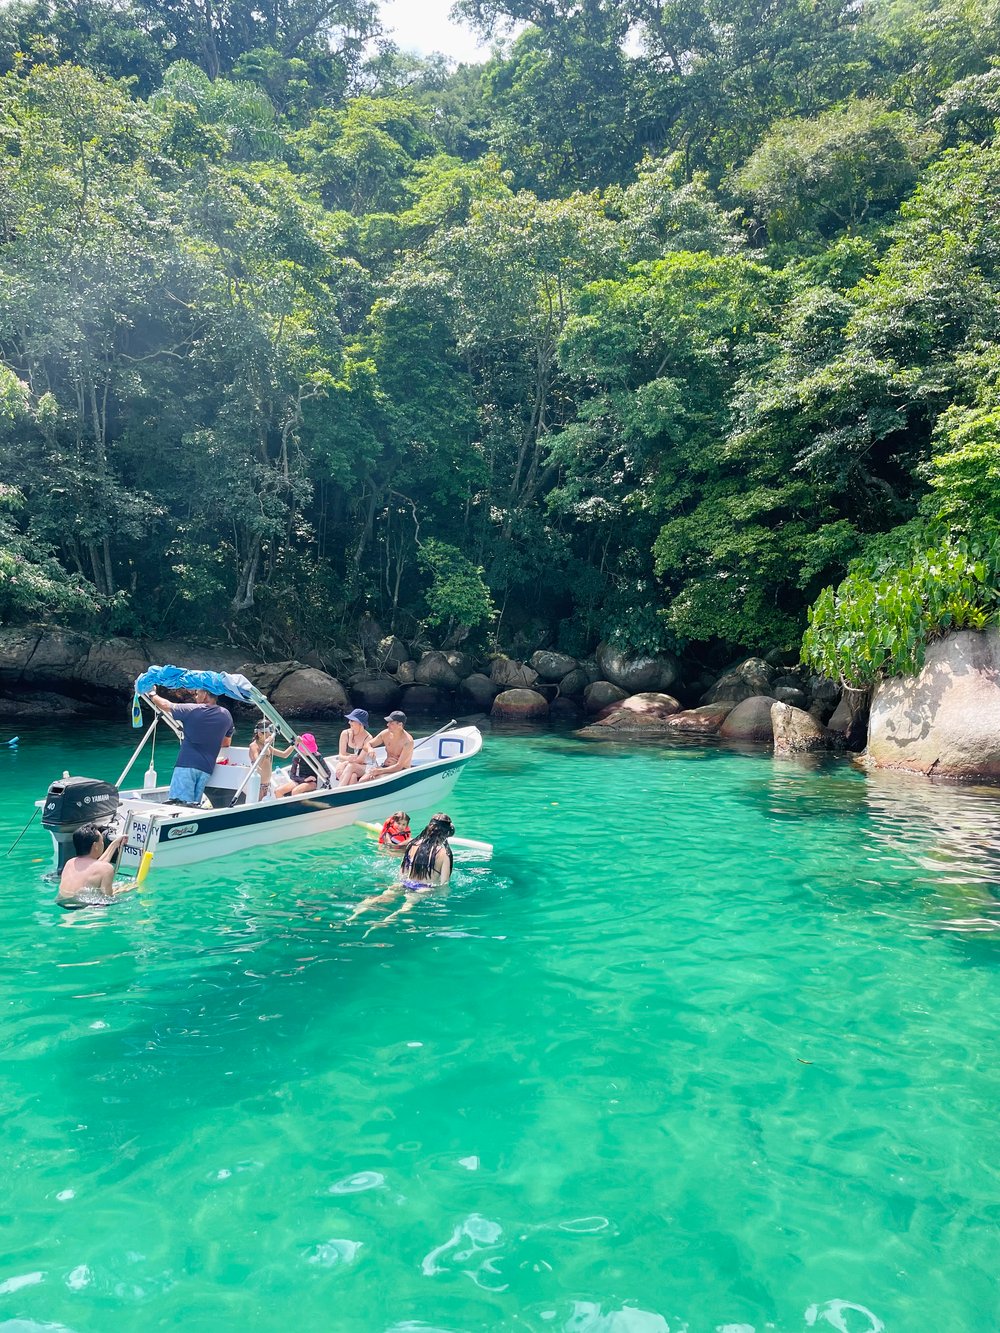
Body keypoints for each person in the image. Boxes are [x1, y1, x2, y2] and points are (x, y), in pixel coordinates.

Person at [346, 812, 454, 925]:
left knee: (380, 897)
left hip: (405, 882)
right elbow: (444, 884)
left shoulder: (413, 844)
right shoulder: (444, 853)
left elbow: (402, 871)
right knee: (405, 907)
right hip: (424, 888)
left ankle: (354, 915)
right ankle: (383, 922)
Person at [148, 685, 234, 807]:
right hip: (206, 769)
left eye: (197, 694)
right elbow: (226, 743)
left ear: (205, 694)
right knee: (193, 806)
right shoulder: (226, 715)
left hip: (186, 766)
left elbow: (165, 705)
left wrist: (152, 694)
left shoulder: (193, 710)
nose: (196, 697)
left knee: (179, 804)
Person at [57, 824, 134, 909]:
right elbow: (107, 898)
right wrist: (123, 890)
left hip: (62, 904)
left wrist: (114, 844)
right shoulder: (106, 869)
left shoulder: (70, 863)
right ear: (95, 846)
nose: (103, 844)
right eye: (102, 841)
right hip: (85, 910)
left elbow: (96, 866)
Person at [358, 711, 414, 782]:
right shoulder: (385, 733)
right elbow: (366, 745)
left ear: (400, 725)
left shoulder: (408, 741)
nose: (387, 725)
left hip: (402, 771)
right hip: (386, 767)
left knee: (373, 780)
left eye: (391, 723)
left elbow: (399, 766)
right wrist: (370, 749)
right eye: (388, 722)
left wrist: (380, 771)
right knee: (362, 780)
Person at [248, 721, 296, 800]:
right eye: (268, 735)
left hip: (267, 786)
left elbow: (284, 755)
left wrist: (294, 744)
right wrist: (266, 749)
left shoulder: (266, 746)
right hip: (259, 787)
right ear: (260, 734)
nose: (271, 737)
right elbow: (258, 764)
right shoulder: (254, 746)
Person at [273, 732, 332, 798]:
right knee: (278, 791)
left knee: (295, 791)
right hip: (300, 780)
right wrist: (304, 780)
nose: (309, 752)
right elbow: (292, 776)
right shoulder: (297, 757)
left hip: (312, 782)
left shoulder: (317, 756)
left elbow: (328, 773)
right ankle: (283, 807)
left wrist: (323, 786)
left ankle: (295, 807)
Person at [336, 709, 373, 787]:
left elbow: (360, 760)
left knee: (351, 766)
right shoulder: (345, 733)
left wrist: (345, 762)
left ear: (360, 723)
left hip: (363, 767)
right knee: (353, 776)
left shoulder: (368, 738)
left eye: (352, 720)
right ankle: (348, 796)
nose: (349, 722)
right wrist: (346, 760)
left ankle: (338, 790)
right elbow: (341, 755)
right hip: (349, 765)